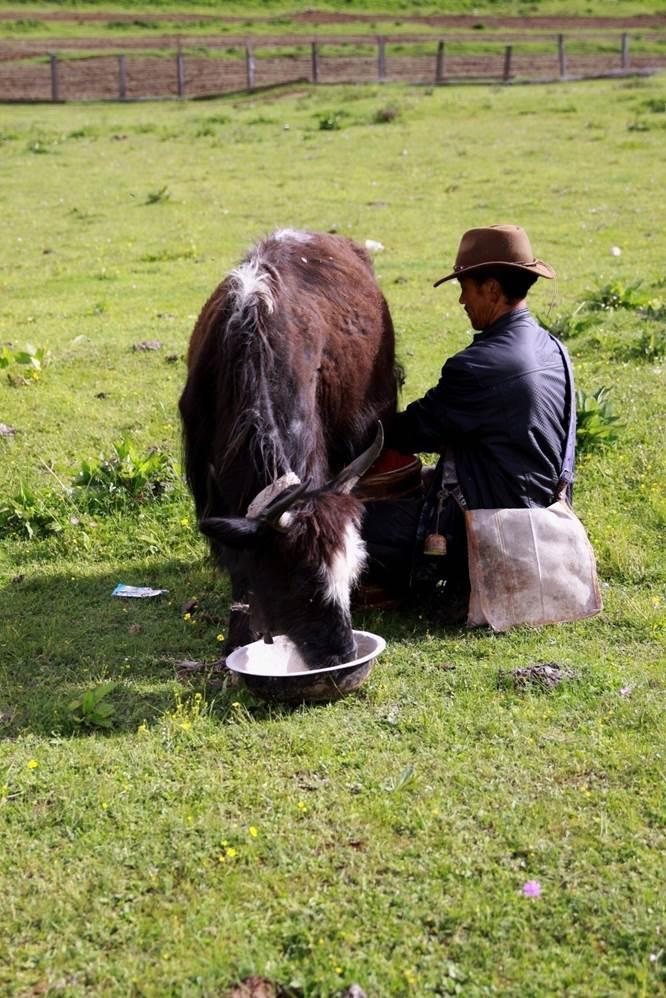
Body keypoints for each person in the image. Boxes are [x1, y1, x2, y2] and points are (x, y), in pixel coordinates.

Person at [363, 224, 573, 612]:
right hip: (542, 521)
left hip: (492, 536)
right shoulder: (553, 348)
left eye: (466, 287)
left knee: (339, 524)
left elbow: (411, 431)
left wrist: (349, 423)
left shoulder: (479, 366)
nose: (461, 300)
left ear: (491, 289)